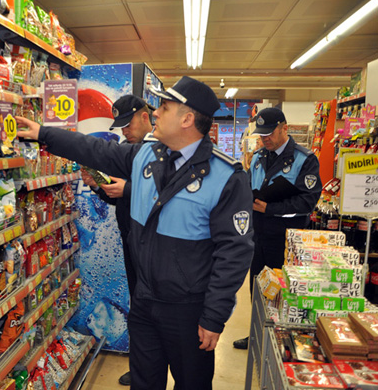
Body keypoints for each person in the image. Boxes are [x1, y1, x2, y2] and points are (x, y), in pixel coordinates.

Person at [16, 76, 254, 390]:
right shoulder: (146, 155)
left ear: (187, 119)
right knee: (143, 382)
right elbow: (96, 150)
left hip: (188, 310)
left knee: (192, 384)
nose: (155, 112)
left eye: (164, 107)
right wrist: (45, 133)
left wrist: (214, 316)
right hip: (143, 301)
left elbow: (234, 253)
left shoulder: (226, 177)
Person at [80, 94, 155, 386]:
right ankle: (141, 368)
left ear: (145, 116)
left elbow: (164, 197)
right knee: (138, 306)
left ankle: (155, 367)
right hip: (130, 239)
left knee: (152, 308)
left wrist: (128, 190)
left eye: (128, 123)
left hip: (155, 244)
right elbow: (119, 198)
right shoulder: (126, 150)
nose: (124, 131)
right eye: (120, 125)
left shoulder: (162, 152)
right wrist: (99, 185)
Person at [233, 107, 322, 350]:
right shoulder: (260, 157)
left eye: (269, 134)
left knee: (283, 294)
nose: (264, 139)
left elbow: (308, 201)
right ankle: (257, 335)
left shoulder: (305, 159)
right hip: (258, 236)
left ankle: (281, 341)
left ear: (284, 128)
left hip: (285, 240)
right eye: (261, 135)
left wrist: (270, 209)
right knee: (258, 286)